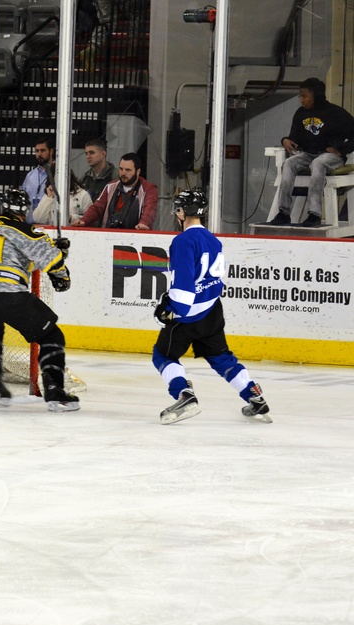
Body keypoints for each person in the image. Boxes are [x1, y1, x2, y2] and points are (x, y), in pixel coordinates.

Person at [152, 190, 271, 424]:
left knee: (163, 355)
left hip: (188, 316)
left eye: (179, 208)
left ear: (183, 211)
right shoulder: (213, 239)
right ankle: (254, 396)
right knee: (221, 357)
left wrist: (169, 311)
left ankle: (184, 395)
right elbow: (213, 281)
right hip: (212, 312)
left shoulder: (183, 241)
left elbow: (185, 290)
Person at [0, 188, 79, 412]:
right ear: (25, 210)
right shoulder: (26, 229)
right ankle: (55, 393)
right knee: (52, 335)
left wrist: (56, 252)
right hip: (5, 293)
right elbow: (51, 261)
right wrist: (62, 273)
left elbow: (12, 259)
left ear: (2, 208)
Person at [269, 77, 354, 228]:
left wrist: (342, 150)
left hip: (330, 157)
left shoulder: (336, 113)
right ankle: (283, 212)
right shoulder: (301, 113)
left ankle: (314, 214)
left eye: (304, 96)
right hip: (308, 154)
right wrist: (285, 140)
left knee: (318, 163)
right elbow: (294, 137)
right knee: (288, 163)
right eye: (300, 96)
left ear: (316, 96)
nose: (301, 100)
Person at [73, 152, 157, 229]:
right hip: (109, 235)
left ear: (138, 172)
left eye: (128, 170)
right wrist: (84, 220)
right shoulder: (110, 186)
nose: (123, 173)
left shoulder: (148, 189)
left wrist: (143, 223)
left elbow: (149, 210)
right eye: (121, 169)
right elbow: (97, 208)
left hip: (135, 235)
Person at [21, 135, 54, 211]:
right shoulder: (30, 176)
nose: (39, 154)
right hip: (30, 222)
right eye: (37, 151)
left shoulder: (58, 173)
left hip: (49, 222)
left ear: (51, 151)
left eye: (43, 150)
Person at [79, 138, 117, 203]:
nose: (88, 156)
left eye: (91, 153)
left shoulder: (116, 176)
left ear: (103, 154)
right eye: (86, 153)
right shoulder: (84, 179)